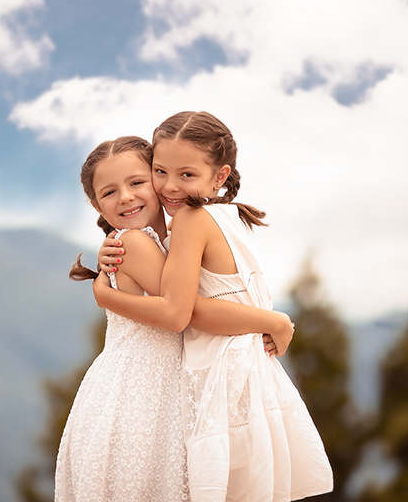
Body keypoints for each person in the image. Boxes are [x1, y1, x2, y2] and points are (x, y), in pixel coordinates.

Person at [93, 112, 333, 502]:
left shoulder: (189, 219)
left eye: (185, 174)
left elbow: (179, 312)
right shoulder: (227, 216)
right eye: (160, 172)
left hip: (222, 373)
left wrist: (105, 296)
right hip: (235, 373)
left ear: (219, 176)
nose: (170, 186)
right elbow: (188, 305)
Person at [55, 136, 294, 502]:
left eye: (137, 182)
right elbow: (188, 313)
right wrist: (271, 321)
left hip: (159, 390)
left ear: (156, 179)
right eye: (109, 192)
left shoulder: (167, 243)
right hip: (140, 396)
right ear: (95, 204)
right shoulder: (133, 243)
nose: (126, 197)